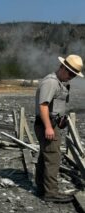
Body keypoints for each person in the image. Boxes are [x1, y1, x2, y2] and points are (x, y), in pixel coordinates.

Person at [34, 54, 83, 203]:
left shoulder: (60, 82)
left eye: (74, 75)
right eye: (70, 73)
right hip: (46, 125)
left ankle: (42, 187)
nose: (71, 77)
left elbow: (55, 106)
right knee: (53, 158)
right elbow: (43, 106)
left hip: (50, 123)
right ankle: (51, 193)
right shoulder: (51, 82)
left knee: (46, 156)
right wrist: (49, 127)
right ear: (62, 67)